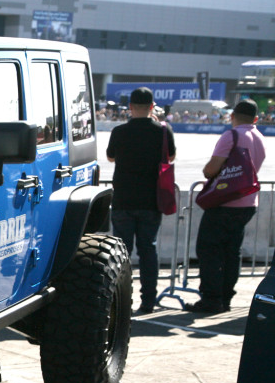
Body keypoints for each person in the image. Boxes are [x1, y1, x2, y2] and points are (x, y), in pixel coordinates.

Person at [186, 99, 267, 314]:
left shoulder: (231, 135)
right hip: (248, 202)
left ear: (232, 116)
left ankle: (211, 299)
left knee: (209, 250)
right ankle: (226, 298)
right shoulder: (260, 138)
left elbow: (211, 169)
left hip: (225, 202)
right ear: (255, 119)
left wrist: (207, 172)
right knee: (232, 252)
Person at [106, 86, 175, 314]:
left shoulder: (119, 131)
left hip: (124, 198)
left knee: (121, 253)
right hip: (151, 200)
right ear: (152, 106)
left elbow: (110, 157)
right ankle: (148, 301)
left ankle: (120, 302)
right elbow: (171, 156)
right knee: (148, 250)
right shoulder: (163, 131)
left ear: (130, 107)